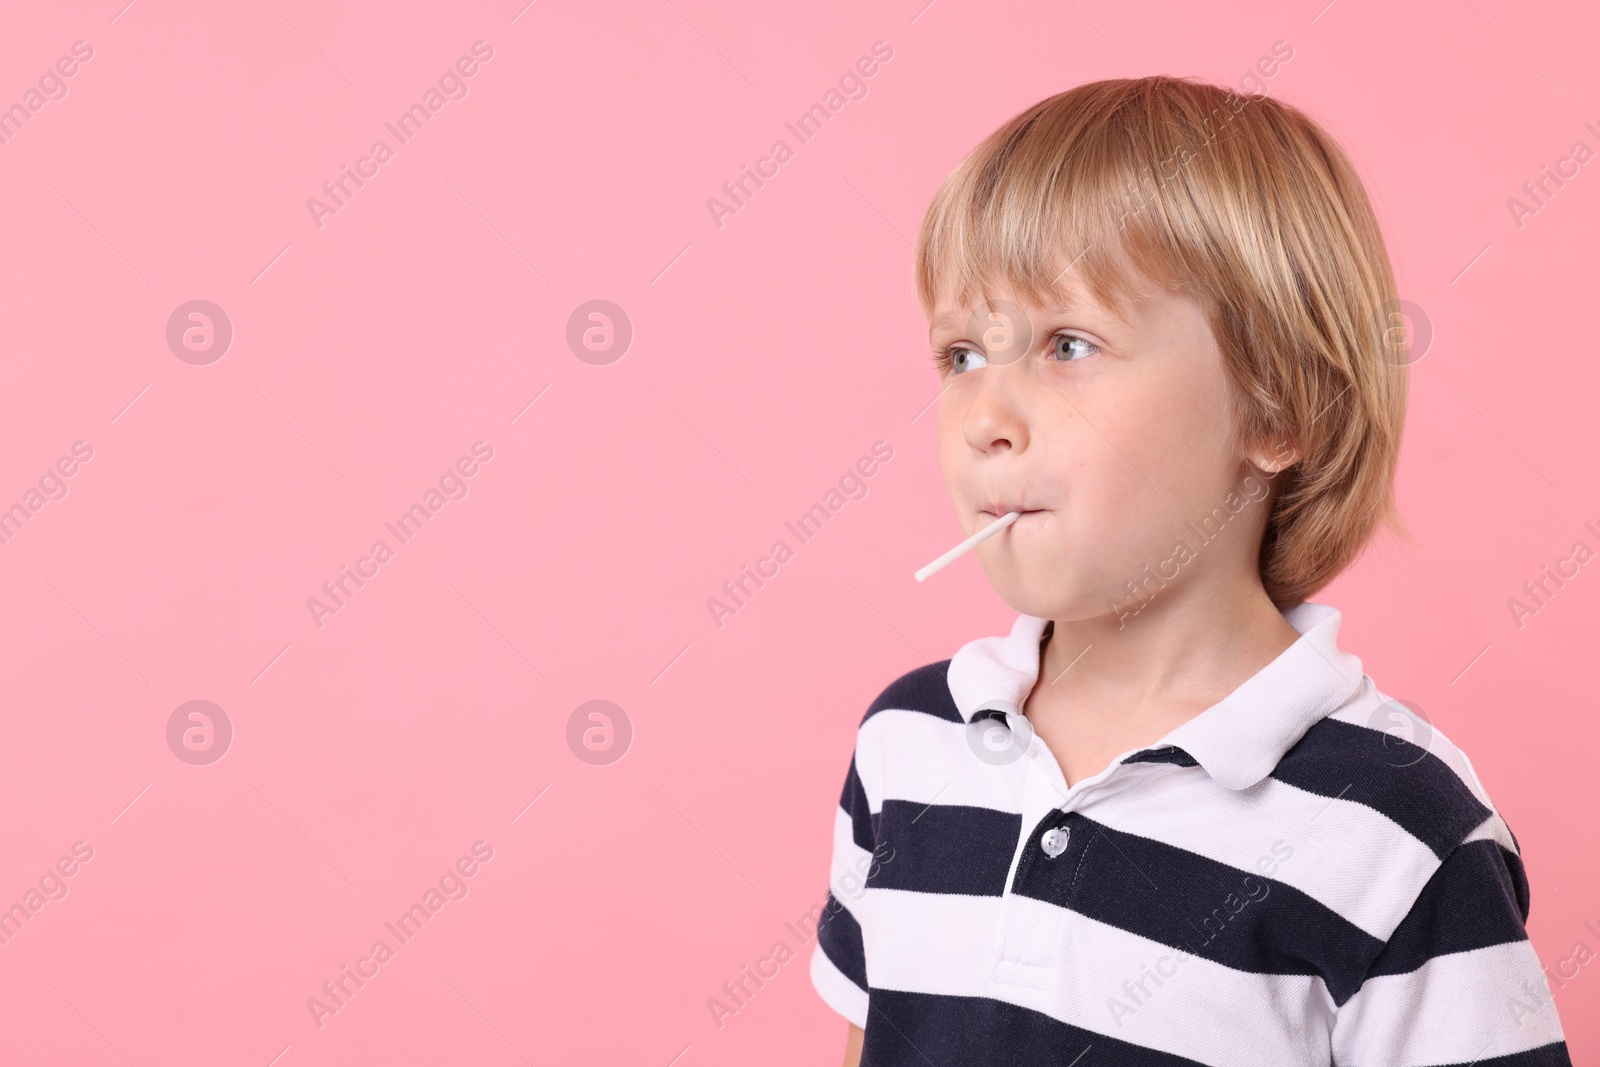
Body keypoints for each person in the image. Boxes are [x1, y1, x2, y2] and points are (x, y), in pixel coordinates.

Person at [808, 75, 1573, 1066]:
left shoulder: (1395, 830)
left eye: (1066, 343)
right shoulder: (908, 747)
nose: (984, 418)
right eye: (960, 354)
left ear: (1274, 410)